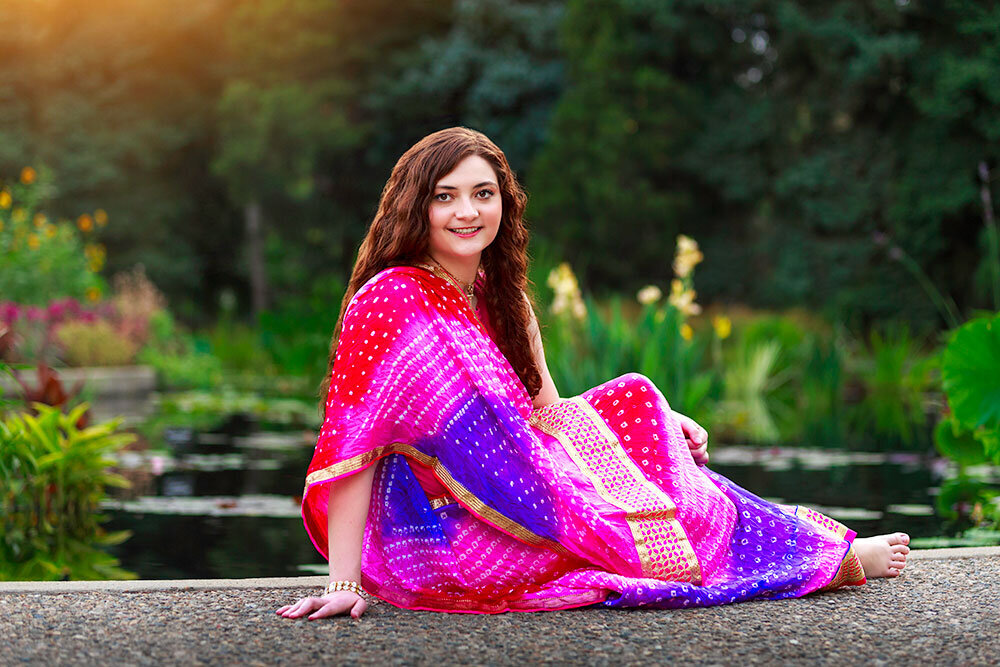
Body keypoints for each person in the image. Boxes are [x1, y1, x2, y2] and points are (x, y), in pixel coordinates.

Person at [277, 127, 909, 621]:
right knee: (641, 541)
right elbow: (354, 448)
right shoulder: (392, 300)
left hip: (525, 480)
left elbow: (550, 412)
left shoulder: (505, 300)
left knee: (637, 402)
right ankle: (830, 561)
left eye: (482, 193)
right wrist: (343, 581)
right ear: (417, 207)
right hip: (445, 522)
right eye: (445, 196)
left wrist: (661, 420)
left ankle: (826, 555)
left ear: (505, 203)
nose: (466, 212)